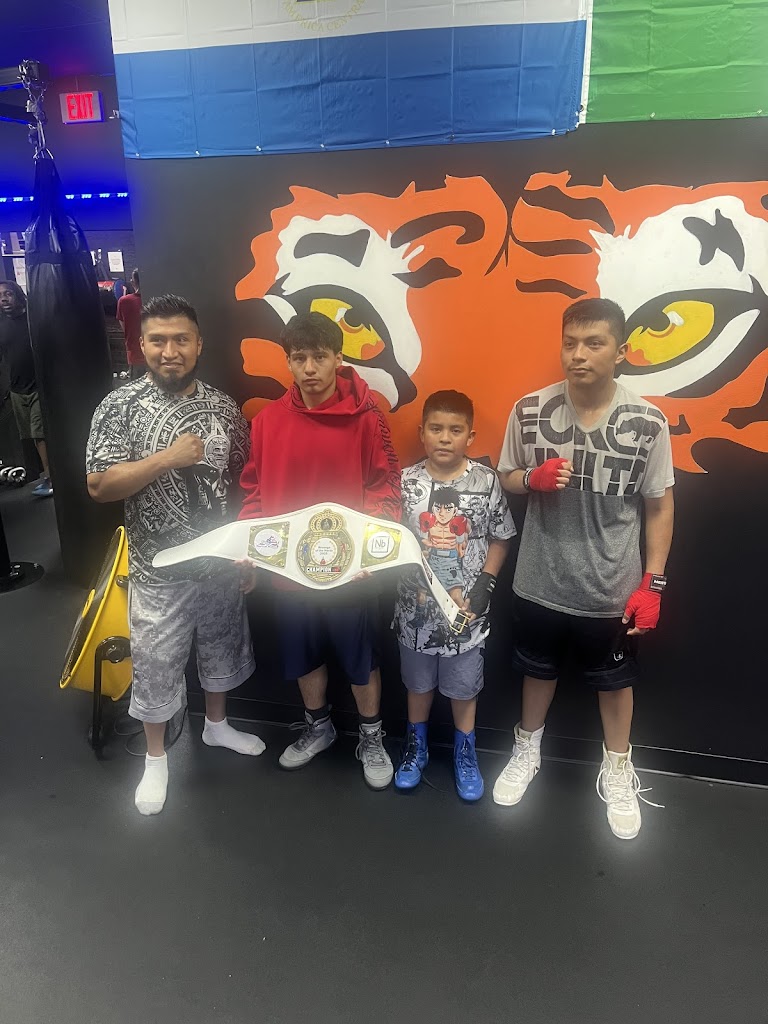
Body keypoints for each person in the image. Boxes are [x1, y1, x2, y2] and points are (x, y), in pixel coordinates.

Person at [492, 297, 675, 840]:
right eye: (570, 343)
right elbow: (505, 476)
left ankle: (617, 769)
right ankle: (527, 751)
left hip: (611, 587)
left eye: (594, 343)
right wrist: (531, 480)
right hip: (539, 580)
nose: (578, 354)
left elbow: (660, 505)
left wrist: (654, 583)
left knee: (616, 684)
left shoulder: (647, 422)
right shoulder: (530, 410)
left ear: (621, 351)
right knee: (536, 671)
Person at [86, 294, 263, 816]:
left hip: (218, 564)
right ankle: (156, 758)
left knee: (222, 650)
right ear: (141, 345)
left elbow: (243, 485)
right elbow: (99, 485)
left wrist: (245, 551)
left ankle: (217, 726)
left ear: (198, 344)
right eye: (158, 340)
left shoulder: (224, 407)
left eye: (180, 339)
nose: (170, 351)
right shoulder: (120, 405)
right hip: (156, 569)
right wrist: (168, 458)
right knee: (157, 665)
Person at [238, 312, 401, 790]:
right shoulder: (267, 422)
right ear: (288, 362)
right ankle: (319, 728)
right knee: (303, 655)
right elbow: (254, 492)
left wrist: (367, 552)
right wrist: (253, 546)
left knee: (361, 658)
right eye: (299, 358)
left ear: (338, 359)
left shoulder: (368, 418)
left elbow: (385, 487)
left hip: (351, 572)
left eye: (319, 356)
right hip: (290, 570)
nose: (309, 368)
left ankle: (371, 737)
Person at [393, 390, 515, 800]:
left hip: (467, 613)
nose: (445, 437)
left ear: (470, 436)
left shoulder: (486, 481)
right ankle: (416, 747)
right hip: (415, 612)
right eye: (436, 428)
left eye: (455, 430)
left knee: (464, 688)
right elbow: (388, 539)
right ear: (422, 432)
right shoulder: (406, 482)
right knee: (417, 685)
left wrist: (486, 585)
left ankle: (466, 753)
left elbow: (501, 536)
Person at [0, 280, 53, 497]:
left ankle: (50, 478)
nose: (3, 299)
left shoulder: (32, 320)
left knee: (39, 434)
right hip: (16, 389)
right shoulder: (2, 325)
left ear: (18, 295)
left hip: (37, 387)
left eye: (8, 294)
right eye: (0, 296)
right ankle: (40, 475)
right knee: (29, 437)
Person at [116, 269, 145, 379]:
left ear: (133, 282)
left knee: (139, 388)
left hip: (136, 355)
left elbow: (125, 328)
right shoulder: (156, 299)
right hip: (158, 355)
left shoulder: (124, 301)